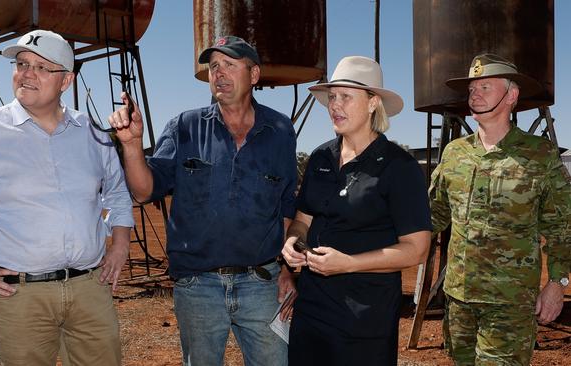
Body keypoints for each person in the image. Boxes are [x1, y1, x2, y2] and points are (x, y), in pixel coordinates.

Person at [0, 29, 134, 366]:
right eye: (22, 64)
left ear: (66, 81)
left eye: (42, 67)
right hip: (18, 298)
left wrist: (120, 244)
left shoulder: (91, 132)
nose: (26, 74)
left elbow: (118, 192)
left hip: (89, 290)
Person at [107, 36, 297, 365]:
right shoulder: (185, 127)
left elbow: (285, 208)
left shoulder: (280, 130)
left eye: (229, 65)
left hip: (262, 285)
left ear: (253, 75)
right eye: (213, 67)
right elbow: (143, 190)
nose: (219, 74)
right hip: (198, 285)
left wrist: (286, 270)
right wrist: (133, 145)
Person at [281, 56, 432, 366]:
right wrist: (293, 241)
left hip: (364, 319)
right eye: (332, 97)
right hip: (311, 310)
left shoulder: (398, 167)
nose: (335, 105)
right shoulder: (322, 157)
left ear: (373, 103)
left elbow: (416, 249)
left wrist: (348, 263)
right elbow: (302, 220)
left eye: (346, 97)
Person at [430, 53, 571, 365]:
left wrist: (557, 284)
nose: (475, 94)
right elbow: (432, 217)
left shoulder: (540, 156)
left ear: (511, 95)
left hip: (510, 303)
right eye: (472, 89)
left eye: (486, 87)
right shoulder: (455, 154)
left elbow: (562, 227)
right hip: (459, 300)